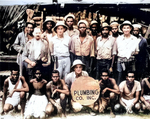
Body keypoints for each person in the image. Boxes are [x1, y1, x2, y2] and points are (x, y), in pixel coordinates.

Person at [113, 20, 139, 85]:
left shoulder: (135, 39)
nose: (126, 29)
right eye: (124, 28)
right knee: (120, 77)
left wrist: (131, 53)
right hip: (121, 61)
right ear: (122, 29)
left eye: (128, 28)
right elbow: (115, 51)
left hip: (131, 61)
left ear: (130, 29)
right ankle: (120, 92)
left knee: (131, 78)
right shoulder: (119, 39)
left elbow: (137, 51)